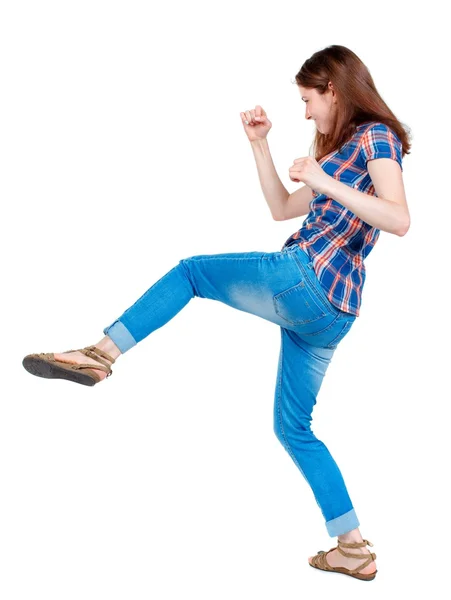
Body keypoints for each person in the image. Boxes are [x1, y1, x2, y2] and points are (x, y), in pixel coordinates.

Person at [22, 44, 411, 581]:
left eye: (307, 100)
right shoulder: (339, 151)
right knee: (293, 428)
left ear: (334, 90)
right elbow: (280, 209)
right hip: (331, 315)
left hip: (309, 279)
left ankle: (100, 354)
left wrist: (321, 180)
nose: (305, 113)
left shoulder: (375, 137)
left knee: (190, 272)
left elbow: (398, 218)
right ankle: (353, 546)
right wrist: (259, 146)